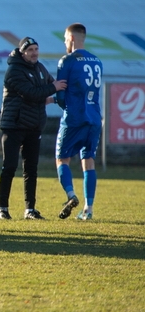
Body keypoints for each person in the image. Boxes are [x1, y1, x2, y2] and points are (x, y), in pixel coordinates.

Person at [0, 36, 66, 220]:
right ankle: (3, 208)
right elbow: (31, 93)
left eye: (36, 49)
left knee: (31, 169)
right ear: (22, 52)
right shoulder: (14, 70)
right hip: (14, 125)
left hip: (34, 126)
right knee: (9, 167)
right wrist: (53, 88)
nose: (34, 53)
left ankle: (30, 209)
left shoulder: (40, 68)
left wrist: (54, 94)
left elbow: (49, 89)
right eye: (30, 50)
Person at [55, 23, 103, 221]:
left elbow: (60, 95)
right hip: (94, 117)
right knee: (88, 160)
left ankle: (70, 195)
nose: (65, 42)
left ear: (72, 38)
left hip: (74, 117)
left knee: (61, 158)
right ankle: (88, 209)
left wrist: (64, 105)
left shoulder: (67, 60)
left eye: (66, 38)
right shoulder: (97, 61)